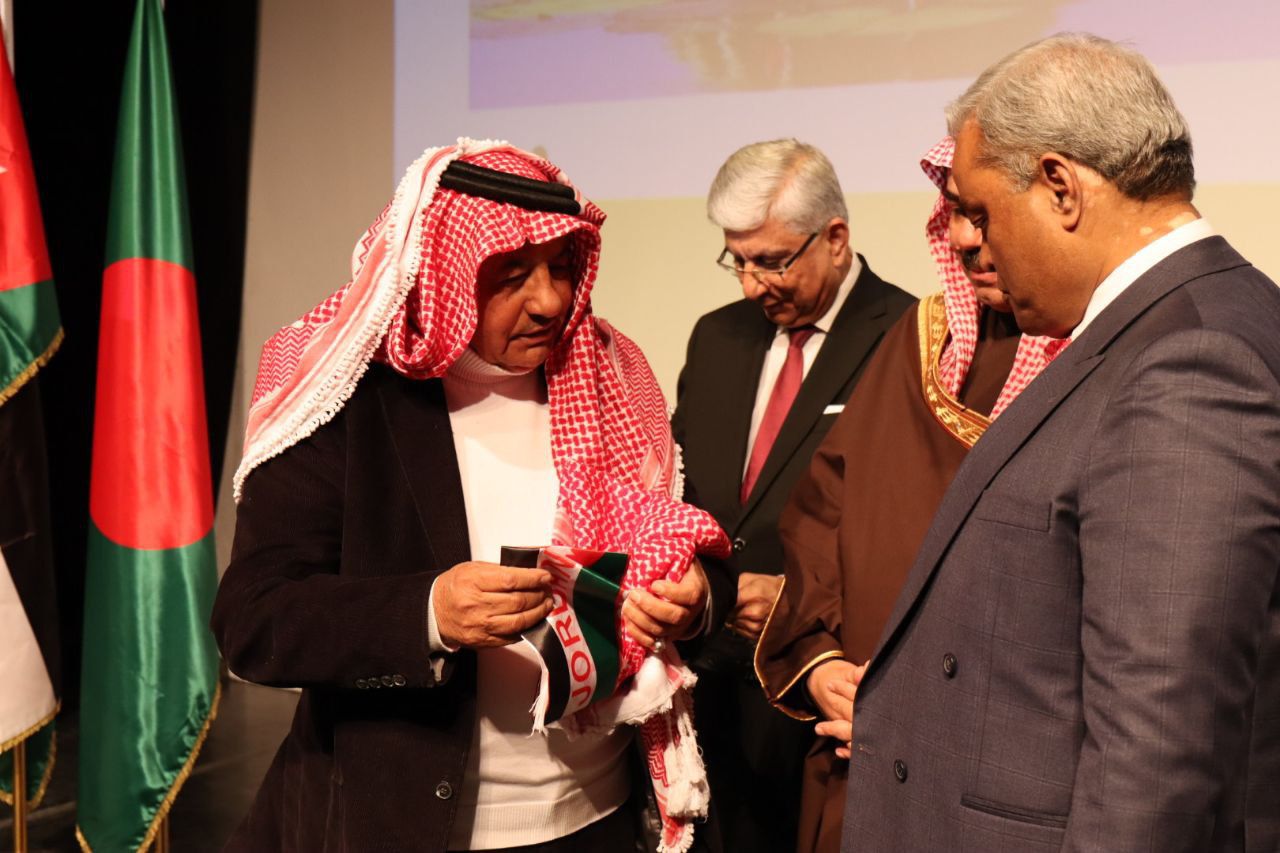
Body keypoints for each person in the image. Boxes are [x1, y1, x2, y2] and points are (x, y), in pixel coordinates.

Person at [213, 141, 729, 853]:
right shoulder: (345, 395)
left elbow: (698, 542)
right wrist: (429, 613)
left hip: (601, 820)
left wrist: (695, 598)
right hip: (407, 827)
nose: (550, 300)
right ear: (442, 274)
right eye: (512, 275)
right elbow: (255, 620)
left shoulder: (608, 373)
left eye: (562, 267)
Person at [840, 34, 1280, 852]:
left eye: (980, 212)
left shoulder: (1190, 358)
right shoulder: (1161, 327)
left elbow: (1159, 749)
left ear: (1061, 188)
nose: (966, 241)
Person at [753, 134, 1060, 853]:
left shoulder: (1102, 357)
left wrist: (917, 715)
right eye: (955, 213)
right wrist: (822, 664)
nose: (964, 240)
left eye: (985, 215)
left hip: (1009, 784)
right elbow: (822, 516)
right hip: (859, 756)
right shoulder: (918, 339)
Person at [671, 139, 913, 853]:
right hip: (705, 685)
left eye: (772, 261)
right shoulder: (716, 337)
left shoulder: (909, 337)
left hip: (823, 694)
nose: (753, 285)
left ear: (835, 238)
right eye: (737, 260)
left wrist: (799, 604)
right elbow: (680, 490)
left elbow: (913, 524)